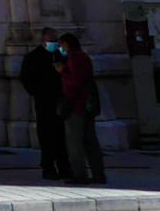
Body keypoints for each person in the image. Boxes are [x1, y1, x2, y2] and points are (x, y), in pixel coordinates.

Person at [55, 32, 105, 184]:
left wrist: (62, 72)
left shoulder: (74, 58)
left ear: (67, 44)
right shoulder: (84, 57)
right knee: (90, 141)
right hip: (87, 104)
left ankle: (79, 175)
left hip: (76, 105)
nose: (60, 48)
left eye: (62, 45)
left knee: (75, 142)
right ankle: (98, 174)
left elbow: (74, 82)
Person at [18, 26, 67, 179]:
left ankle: (64, 167)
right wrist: (38, 92)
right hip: (44, 101)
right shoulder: (33, 57)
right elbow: (26, 78)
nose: (53, 42)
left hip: (60, 99)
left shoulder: (60, 55)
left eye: (55, 40)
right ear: (43, 39)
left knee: (62, 135)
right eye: (51, 39)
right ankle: (48, 167)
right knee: (47, 134)